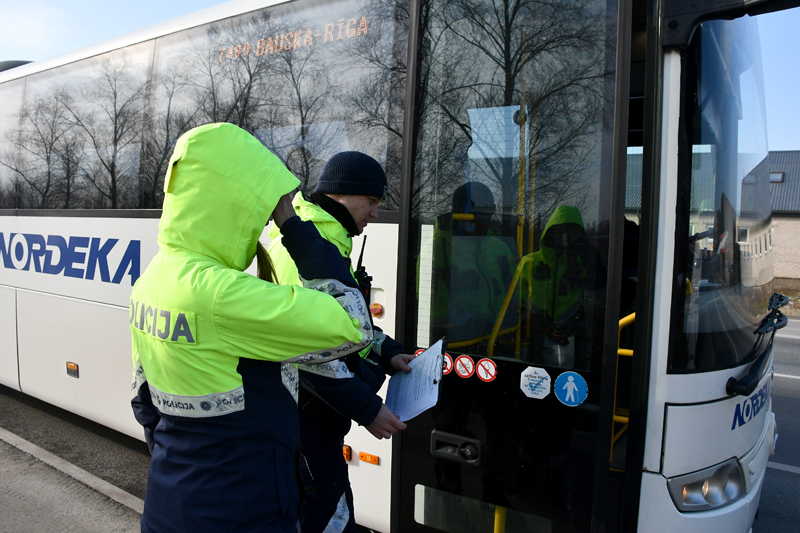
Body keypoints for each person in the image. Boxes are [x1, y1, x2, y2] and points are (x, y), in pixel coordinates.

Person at [129, 123, 374, 533]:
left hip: (173, 505)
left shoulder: (154, 278)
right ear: (233, 200)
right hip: (242, 514)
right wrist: (293, 226)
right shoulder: (223, 294)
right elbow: (352, 323)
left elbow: (144, 402)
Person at [268, 151, 414, 533]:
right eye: (373, 201)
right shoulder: (303, 251)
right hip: (306, 416)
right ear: (344, 195)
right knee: (327, 516)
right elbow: (304, 351)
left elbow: (346, 327)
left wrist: (390, 351)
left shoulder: (326, 240)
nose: (376, 213)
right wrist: (367, 408)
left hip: (318, 414)